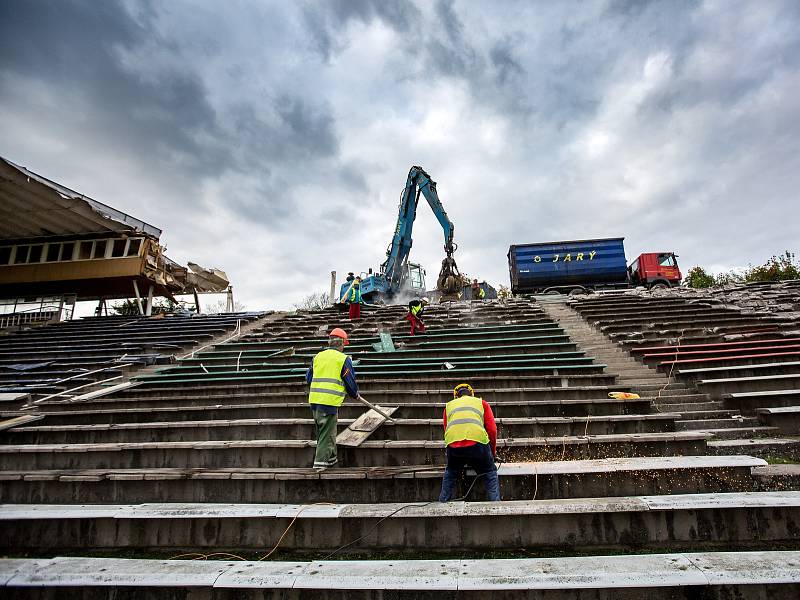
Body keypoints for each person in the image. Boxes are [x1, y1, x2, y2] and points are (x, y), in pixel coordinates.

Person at [306, 328, 359, 469]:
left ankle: (332, 460)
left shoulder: (317, 357)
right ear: (342, 344)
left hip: (315, 401)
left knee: (324, 433)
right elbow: (350, 381)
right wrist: (354, 394)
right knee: (326, 435)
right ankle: (319, 465)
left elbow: (308, 378)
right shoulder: (343, 359)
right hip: (329, 402)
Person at [438, 383, 500, 502]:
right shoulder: (481, 403)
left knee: (451, 472)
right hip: (478, 445)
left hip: (454, 446)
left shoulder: (448, 406)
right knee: (490, 472)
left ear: (456, 396)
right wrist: (492, 453)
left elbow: (447, 430)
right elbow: (492, 430)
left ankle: (442, 502)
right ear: (472, 394)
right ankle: (496, 504)